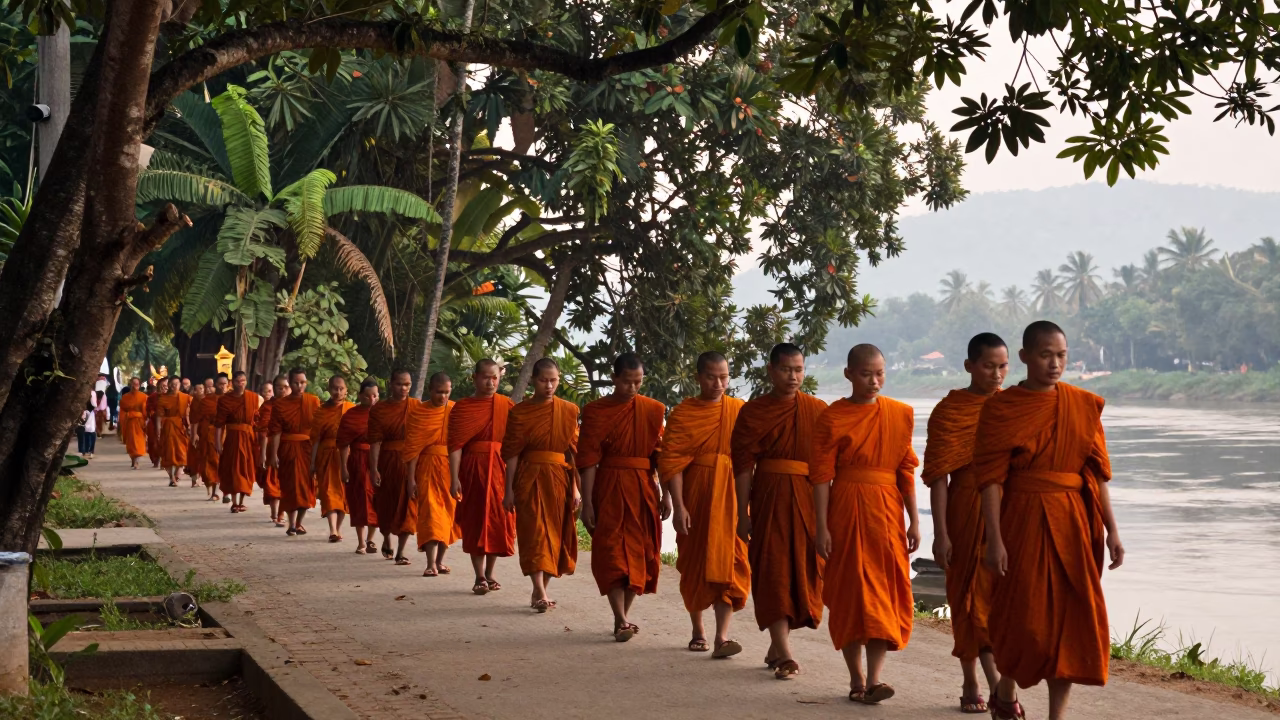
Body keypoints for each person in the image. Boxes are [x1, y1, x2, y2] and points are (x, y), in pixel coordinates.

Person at [974, 321, 1124, 720]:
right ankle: (1005, 689)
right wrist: (994, 539)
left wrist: (1113, 531)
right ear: (1024, 357)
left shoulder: (1083, 405)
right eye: (1045, 355)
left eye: (1062, 355)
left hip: (1075, 523)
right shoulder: (1001, 408)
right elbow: (990, 480)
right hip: (1022, 518)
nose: (1055, 364)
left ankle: (1056, 715)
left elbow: (1096, 474)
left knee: (1070, 622)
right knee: (1023, 616)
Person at [811, 344, 920, 705]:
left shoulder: (900, 414)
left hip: (887, 512)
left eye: (880, 374)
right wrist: (822, 527)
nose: (874, 381)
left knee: (883, 594)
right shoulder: (833, 417)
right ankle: (856, 678)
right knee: (851, 594)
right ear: (848, 374)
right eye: (865, 374)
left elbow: (905, 470)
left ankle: (875, 679)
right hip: (846, 509)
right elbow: (822, 476)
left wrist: (915, 520)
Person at [922, 333, 1009, 713]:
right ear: (970, 366)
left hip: (1007, 512)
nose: (996, 374)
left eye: (1003, 366)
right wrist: (940, 534)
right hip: (964, 508)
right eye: (988, 365)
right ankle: (984, 683)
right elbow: (939, 477)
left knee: (998, 601)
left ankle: (987, 683)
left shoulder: (1013, 407)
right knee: (967, 599)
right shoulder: (950, 411)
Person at [730, 343, 826, 679]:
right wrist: (742, 514)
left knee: (803, 575)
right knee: (772, 571)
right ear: (771, 371)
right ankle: (785, 656)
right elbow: (743, 467)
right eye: (786, 369)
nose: (793, 376)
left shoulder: (817, 410)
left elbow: (826, 469)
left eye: (799, 369)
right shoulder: (754, 412)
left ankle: (775, 646)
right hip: (769, 497)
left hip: (807, 502)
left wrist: (827, 519)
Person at [658, 351, 749, 658]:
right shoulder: (685, 413)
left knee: (731, 561)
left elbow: (750, 460)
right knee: (695, 560)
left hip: (732, 496)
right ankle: (699, 630)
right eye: (712, 376)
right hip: (696, 492)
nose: (718, 383)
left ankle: (723, 637)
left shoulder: (739, 410)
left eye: (724, 376)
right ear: (699, 377)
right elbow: (673, 463)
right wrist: (679, 506)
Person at [578, 353, 669, 641]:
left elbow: (660, 456)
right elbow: (588, 459)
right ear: (614, 378)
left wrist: (666, 495)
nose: (632, 388)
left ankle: (623, 618)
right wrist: (588, 501)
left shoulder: (653, 410)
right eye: (627, 382)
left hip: (643, 488)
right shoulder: (595, 411)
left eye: (638, 382)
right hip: (609, 486)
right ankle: (620, 618)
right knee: (612, 553)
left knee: (640, 553)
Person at [502, 358, 580, 612]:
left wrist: (577, 488)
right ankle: (541, 591)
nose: (549, 385)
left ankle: (539, 590)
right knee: (535, 534)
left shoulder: (568, 410)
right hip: (529, 476)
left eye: (554, 380)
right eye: (544, 380)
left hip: (559, 479)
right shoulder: (520, 411)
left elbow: (573, 452)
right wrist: (508, 489)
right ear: (534, 380)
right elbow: (512, 453)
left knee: (554, 537)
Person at [449, 359, 517, 596]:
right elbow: (456, 445)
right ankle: (479, 575)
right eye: (486, 377)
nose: (490, 382)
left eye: (495, 377)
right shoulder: (463, 407)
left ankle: (490, 572)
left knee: (498, 519)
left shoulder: (506, 405)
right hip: (473, 468)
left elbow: (514, 446)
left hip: (500, 468)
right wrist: (454, 477)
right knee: (475, 519)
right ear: (474, 378)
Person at [405, 372, 457, 577]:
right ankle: (430, 563)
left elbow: (460, 447)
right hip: (426, 467)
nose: (442, 397)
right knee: (430, 515)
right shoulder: (419, 412)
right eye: (438, 392)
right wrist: (410, 479)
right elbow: (412, 450)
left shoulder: (455, 411)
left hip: (450, 469)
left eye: (446, 392)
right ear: (430, 390)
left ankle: (440, 561)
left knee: (447, 516)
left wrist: (459, 476)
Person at [368, 370, 420, 564]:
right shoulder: (379, 409)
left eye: (407, 384)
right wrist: (374, 469)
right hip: (388, 460)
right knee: (386, 503)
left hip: (411, 462)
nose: (404, 388)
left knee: (408, 504)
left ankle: (401, 551)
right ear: (391, 384)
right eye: (399, 384)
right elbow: (374, 442)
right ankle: (387, 537)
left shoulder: (416, 407)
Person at [269, 369, 320, 536]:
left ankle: (299, 522)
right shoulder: (280, 404)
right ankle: (291, 524)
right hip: (288, 449)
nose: (300, 386)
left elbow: (318, 430)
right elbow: (276, 432)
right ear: (290, 384)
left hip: (307, 448)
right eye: (296, 383)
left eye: (303, 382)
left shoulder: (313, 401)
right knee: (290, 486)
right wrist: (274, 453)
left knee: (306, 488)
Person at [338, 378, 379, 554]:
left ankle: (371, 539)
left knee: (376, 500)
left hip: (378, 461)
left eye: (375, 396)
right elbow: (343, 444)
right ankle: (361, 541)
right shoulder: (351, 416)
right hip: (357, 461)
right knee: (359, 499)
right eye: (368, 396)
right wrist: (343, 468)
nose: (372, 400)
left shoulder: (383, 414)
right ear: (360, 396)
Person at [310, 376, 353, 543]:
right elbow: (316, 440)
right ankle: (333, 530)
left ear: (347, 390)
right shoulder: (321, 411)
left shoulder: (350, 409)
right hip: (326, 456)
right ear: (329, 389)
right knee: (329, 493)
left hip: (346, 457)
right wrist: (312, 463)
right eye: (335, 388)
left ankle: (338, 528)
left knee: (343, 495)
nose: (338, 392)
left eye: (341, 388)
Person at [215, 370, 261, 515]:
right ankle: (234, 502)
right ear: (232, 383)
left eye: (243, 381)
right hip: (233, 439)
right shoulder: (225, 400)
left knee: (246, 469)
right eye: (237, 381)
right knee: (234, 469)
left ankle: (241, 502)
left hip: (248, 438)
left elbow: (257, 422)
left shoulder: (252, 398)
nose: (240, 384)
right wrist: (218, 443)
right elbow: (219, 424)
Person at [258, 378, 286, 526]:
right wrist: (263, 453)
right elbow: (263, 431)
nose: (282, 390)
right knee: (273, 481)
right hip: (272, 448)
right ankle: (276, 514)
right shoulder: (268, 407)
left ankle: (281, 513)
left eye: (285, 387)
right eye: (279, 387)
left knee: (287, 482)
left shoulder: (293, 405)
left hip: (290, 447)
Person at [155, 377, 193, 487]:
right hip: (167, 428)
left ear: (180, 385)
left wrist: (191, 426)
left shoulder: (186, 398)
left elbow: (191, 413)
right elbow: (159, 416)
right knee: (168, 453)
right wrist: (158, 430)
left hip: (181, 427)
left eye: (176, 384)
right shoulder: (163, 398)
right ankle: (171, 477)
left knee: (182, 452)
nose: (173, 386)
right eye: (171, 384)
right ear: (169, 385)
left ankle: (177, 474)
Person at [119, 378, 148, 468]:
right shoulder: (125, 397)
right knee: (131, 443)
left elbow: (146, 411)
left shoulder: (144, 397)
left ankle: (136, 461)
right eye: (133, 384)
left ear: (139, 385)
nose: (134, 386)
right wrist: (122, 421)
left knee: (138, 443)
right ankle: (133, 459)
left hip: (140, 422)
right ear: (130, 384)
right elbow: (122, 411)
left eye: (136, 384)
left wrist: (146, 421)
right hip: (129, 422)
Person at [186, 383, 207, 488]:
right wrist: (194, 433)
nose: (200, 391)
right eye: (198, 389)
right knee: (194, 455)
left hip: (207, 431)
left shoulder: (209, 401)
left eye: (202, 388)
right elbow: (193, 418)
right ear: (194, 390)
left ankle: (203, 477)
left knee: (204, 455)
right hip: (197, 430)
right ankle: (194, 479)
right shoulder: (194, 402)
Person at [146, 377, 165, 468]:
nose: (164, 388)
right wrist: (154, 414)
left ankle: (164, 460)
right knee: (153, 443)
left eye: (166, 386)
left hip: (168, 422)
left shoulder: (172, 397)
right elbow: (149, 410)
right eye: (162, 386)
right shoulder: (152, 397)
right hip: (154, 422)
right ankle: (156, 459)